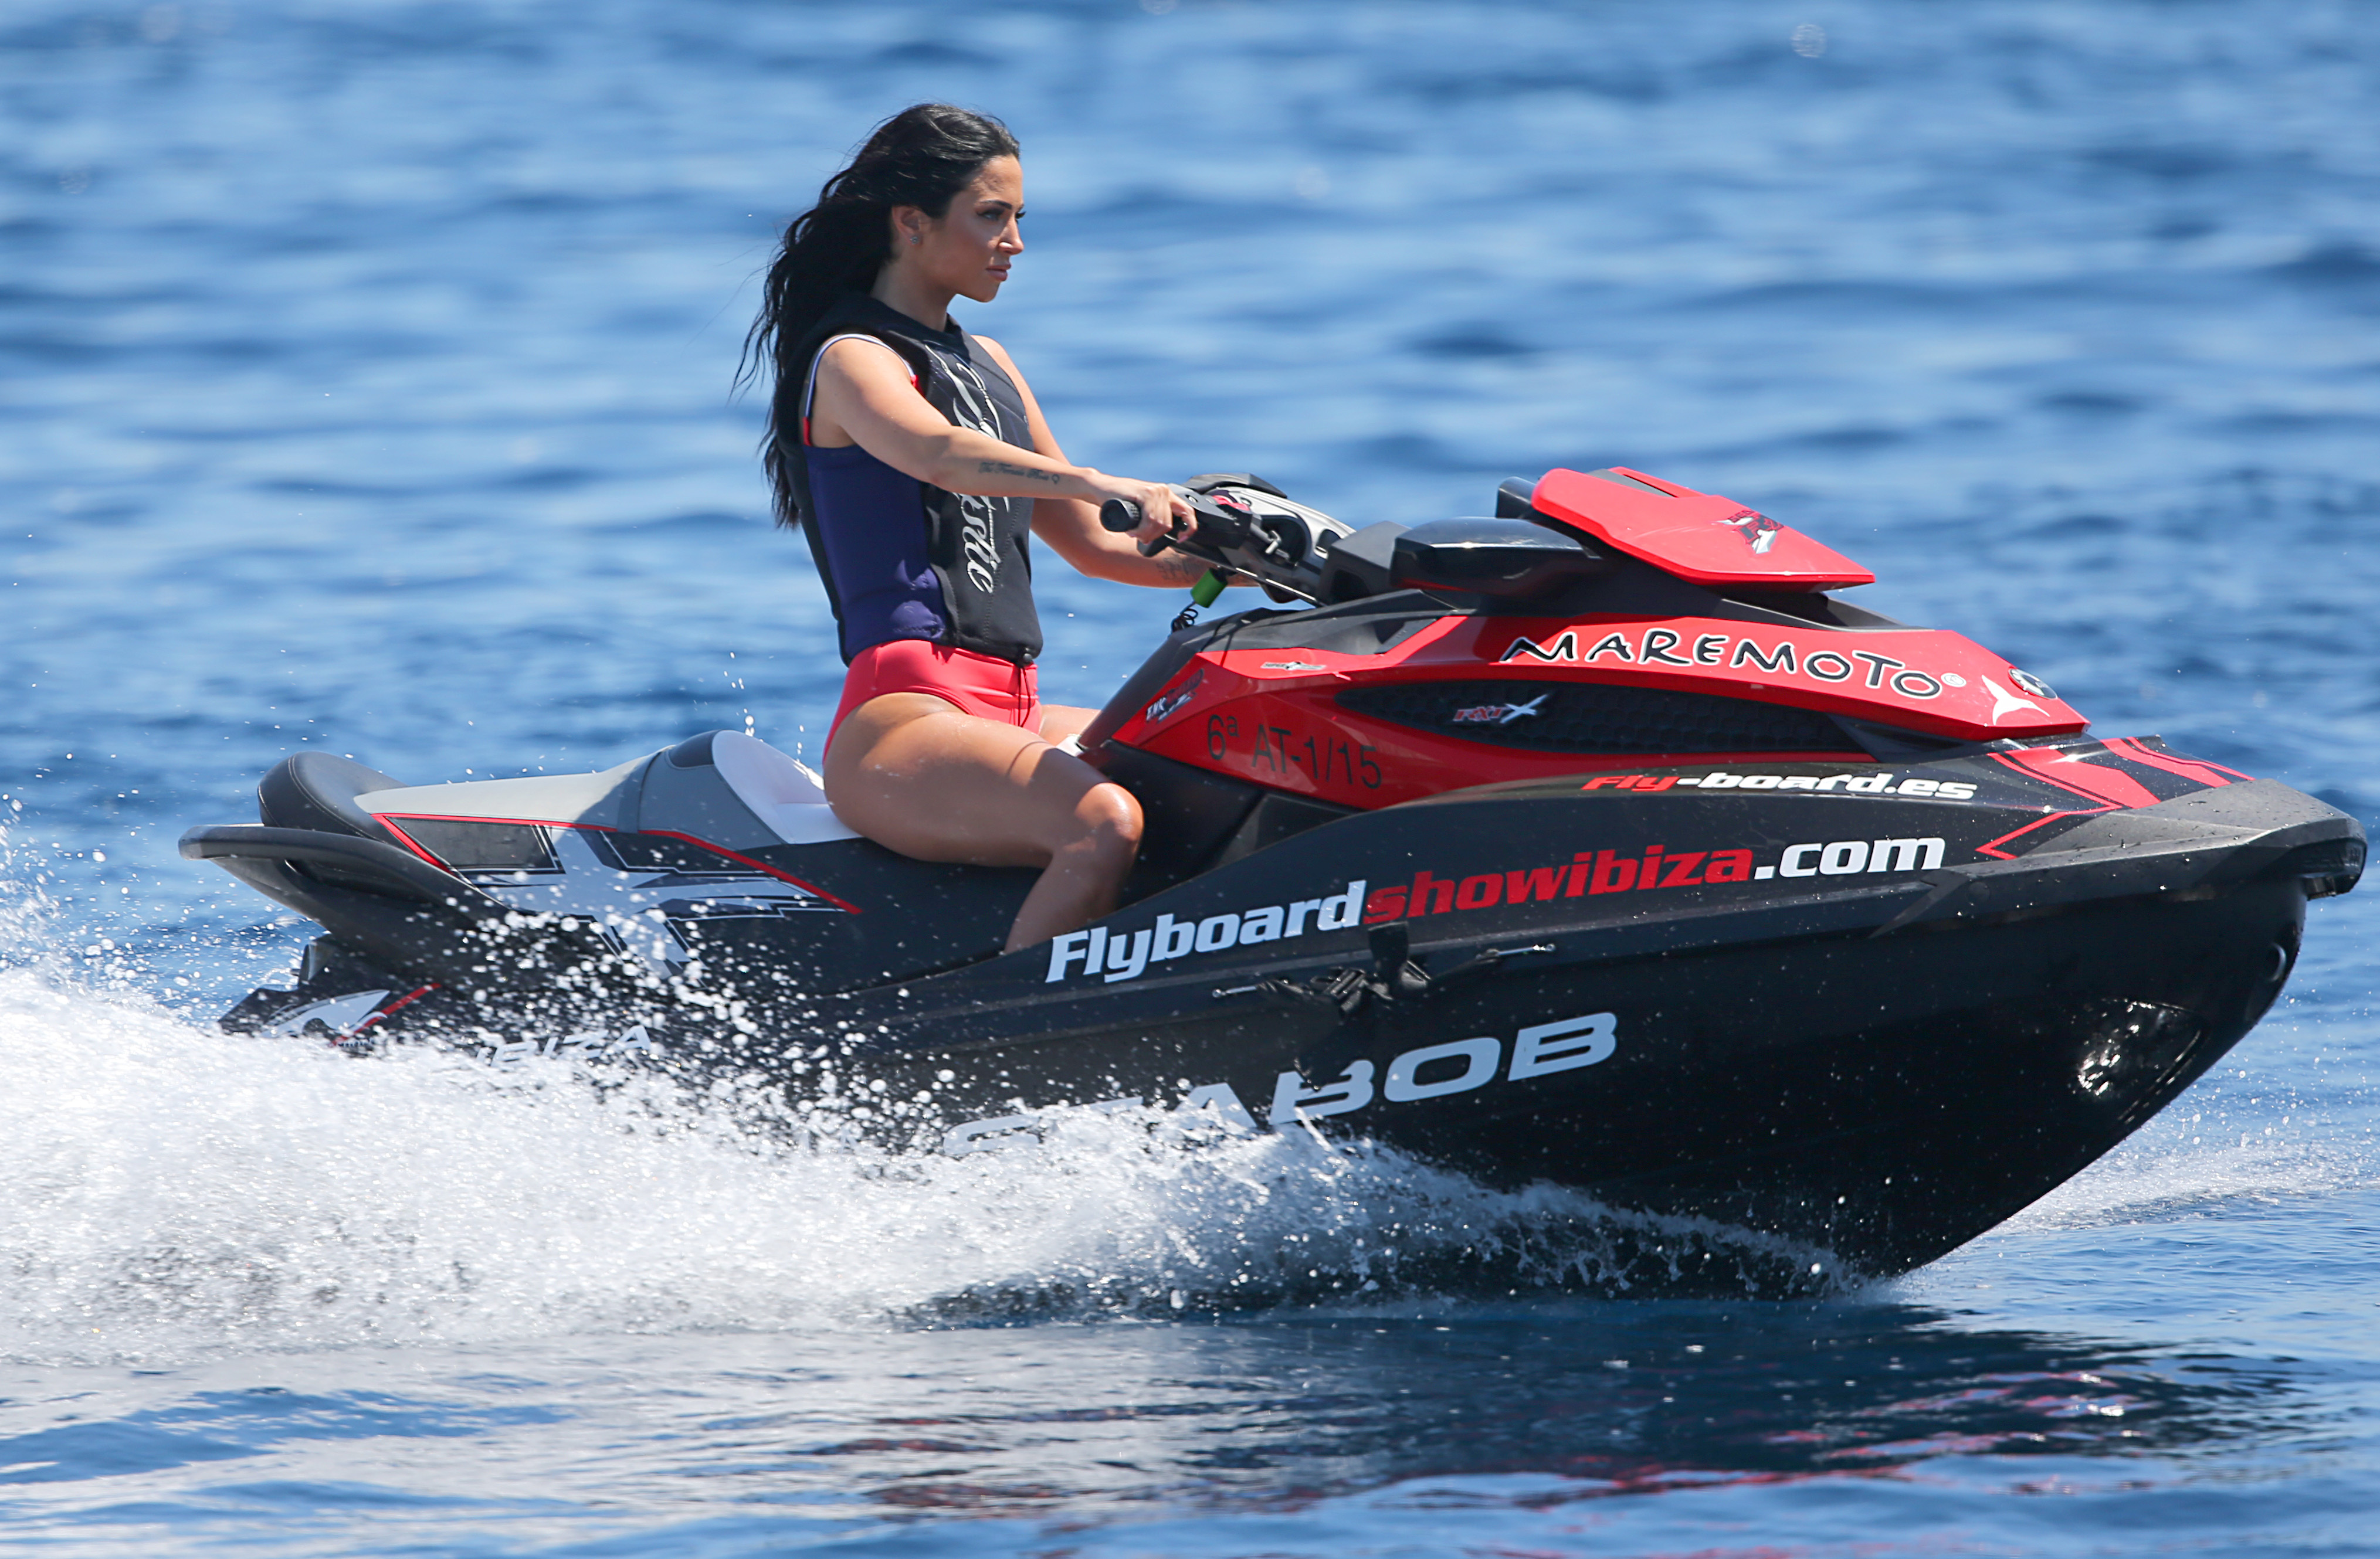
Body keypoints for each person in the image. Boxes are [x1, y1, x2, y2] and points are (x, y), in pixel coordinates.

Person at [745, 104, 1211, 953]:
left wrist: (1227, 565)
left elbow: (1096, 547)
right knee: (1102, 822)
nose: (1015, 242)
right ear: (911, 222)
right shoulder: (851, 358)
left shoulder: (991, 365)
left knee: (1204, 762)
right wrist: (1097, 478)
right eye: (992, 216)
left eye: (1019, 217)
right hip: (903, 721)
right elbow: (938, 454)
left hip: (1015, 710)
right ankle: (1023, 1029)